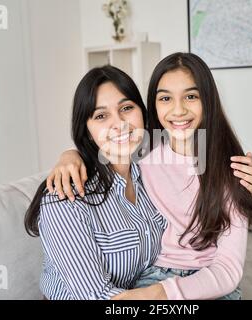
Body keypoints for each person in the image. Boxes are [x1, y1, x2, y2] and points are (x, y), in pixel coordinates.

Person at [47, 52, 252, 300]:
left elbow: (228, 270)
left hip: (202, 282)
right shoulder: (140, 157)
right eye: (166, 98)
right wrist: (70, 154)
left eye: (191, 96)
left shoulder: (227, 169)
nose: (178, 110)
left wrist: (161, 293)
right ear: (153, 106)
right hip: (149, 280)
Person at [24, 65, 167, 300]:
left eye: (127, 108)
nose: (119, 123)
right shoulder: (66, 199)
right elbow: (96, 296)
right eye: (101, 116)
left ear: (142, 113)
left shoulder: (153, 175)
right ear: (88, 130)